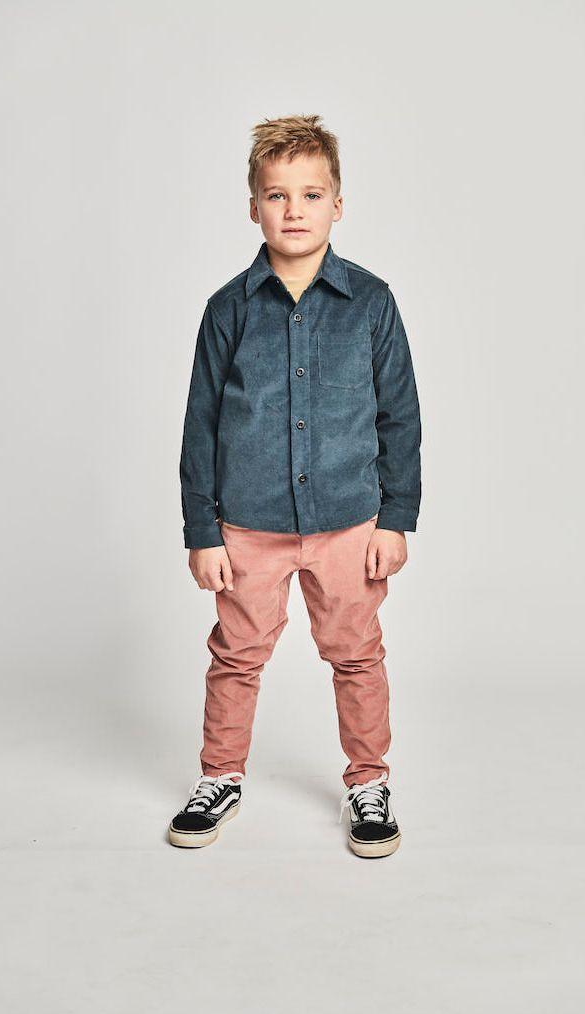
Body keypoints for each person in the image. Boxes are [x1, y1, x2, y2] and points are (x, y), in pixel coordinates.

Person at [168, 114, 421, 858]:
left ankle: (368, 782)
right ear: (254, 207)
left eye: (311, 195)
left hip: (349, 521)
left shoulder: (372, 302)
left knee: (357, 653)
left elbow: (400, 415)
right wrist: (202, 530)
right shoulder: (228, 310)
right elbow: (200, 425)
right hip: (248, 524)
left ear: (338, 203)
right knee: (236, 654)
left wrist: (396, 518)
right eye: (277, 196)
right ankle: (220, 776)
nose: (295, 210)